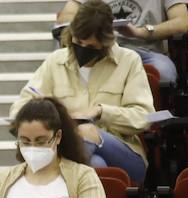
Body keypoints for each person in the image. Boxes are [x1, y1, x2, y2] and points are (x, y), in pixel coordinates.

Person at [13, 0, 153, 181]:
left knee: (87, 131)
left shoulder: (129, 61)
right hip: (66, 147)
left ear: (105, 43)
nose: (83, 50)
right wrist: (47, 110)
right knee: (96, 164)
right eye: (79, 42)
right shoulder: (56, 61)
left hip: (124, 153)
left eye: (91, 47)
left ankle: (47, 185)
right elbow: (20, 107)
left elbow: (144, 117)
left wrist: (102, 112)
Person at [56, 0, 187, 84]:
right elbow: (65, 17)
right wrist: (94, 24)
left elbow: (183, 21)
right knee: (66, 65)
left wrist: (141, 32)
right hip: (101, 48)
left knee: (164, 73)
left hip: (147, 51)